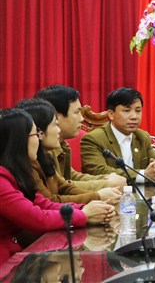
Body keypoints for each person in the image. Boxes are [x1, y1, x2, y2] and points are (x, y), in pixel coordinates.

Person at [0, 108, 114, 265]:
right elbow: (37, 218)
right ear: (19, 141)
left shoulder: (17, 172)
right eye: (35, 134)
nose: (39, 139)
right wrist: (84, 215)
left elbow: (44, 204)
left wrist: (87, 208)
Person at [16, 98, 121, 206]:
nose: (59, 130)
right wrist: (98, 196)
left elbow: (65, 187)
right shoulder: (28, 165)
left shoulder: (46, 156)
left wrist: (99, 197)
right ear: (39, 132)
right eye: (55, 125)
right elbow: (51, 202)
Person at [35, 85, 126, 190]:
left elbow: (72, 177)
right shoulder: (41, 148)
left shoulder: (61, 144)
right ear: (56, 116)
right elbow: (60, 187)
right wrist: (107, 184)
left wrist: (106, 179)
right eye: (76, 112)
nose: (82, 118)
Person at [80, 87, 155, 182]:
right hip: (108, 191)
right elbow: (99, 171)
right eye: (127, 110)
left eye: (138, 111)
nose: (134, 117)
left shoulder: (142, 136)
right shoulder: (93, 139)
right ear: (111, 114)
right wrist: (143, 175)